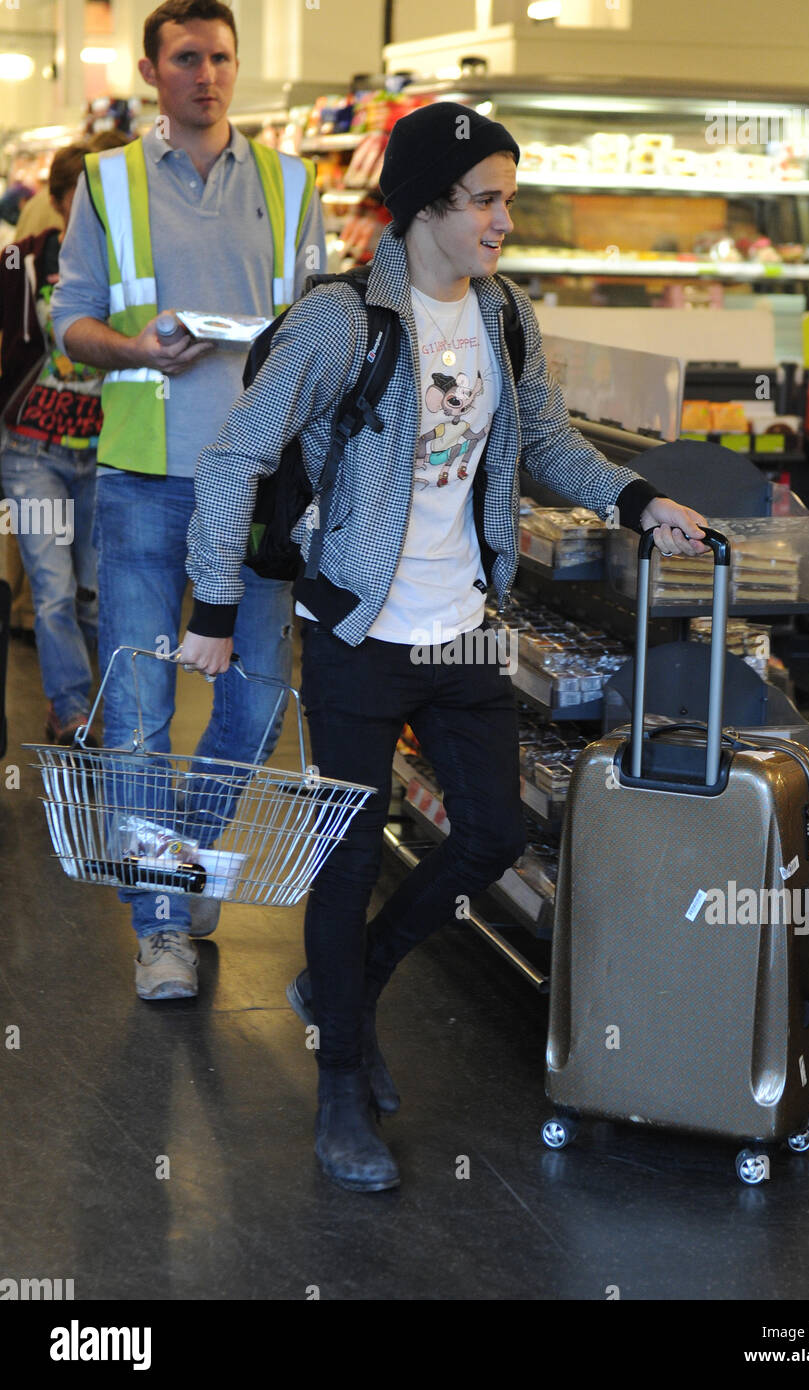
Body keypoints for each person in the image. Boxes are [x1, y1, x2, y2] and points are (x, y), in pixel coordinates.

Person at [179, 101, 708, 1193]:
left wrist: (638, 497)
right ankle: (338, 1090)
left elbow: (548, 441)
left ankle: (347, 989)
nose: (503, 221)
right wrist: (215, 610)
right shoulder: (342, 321)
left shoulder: (506, 316)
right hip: (357, 630)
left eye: (508, 199)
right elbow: (236, 456)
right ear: (425, 207)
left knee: (489, 834)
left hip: (466, 623)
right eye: (487, 200)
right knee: (350, 852)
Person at [50, 0, 325, 1001]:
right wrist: (134, 349)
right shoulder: (110, 184)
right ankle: (162, 920)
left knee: (252, 701)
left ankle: (179, 858)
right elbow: (69, 320)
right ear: (149, 71)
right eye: (185, 59)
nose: (205, 74)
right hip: (142, 478)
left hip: (256, 489)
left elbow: (320, 328)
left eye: (219, 57)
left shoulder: (292, 184)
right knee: (135, 708)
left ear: (235, 66)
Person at [0, 142, 109, 744]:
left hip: (104, 452)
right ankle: (72, 711)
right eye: (83, 197)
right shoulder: (22, 262)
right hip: (31, 451)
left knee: (93, 595)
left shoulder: (128, 266)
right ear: (61, 200)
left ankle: (91, 705)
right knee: (53, 589)